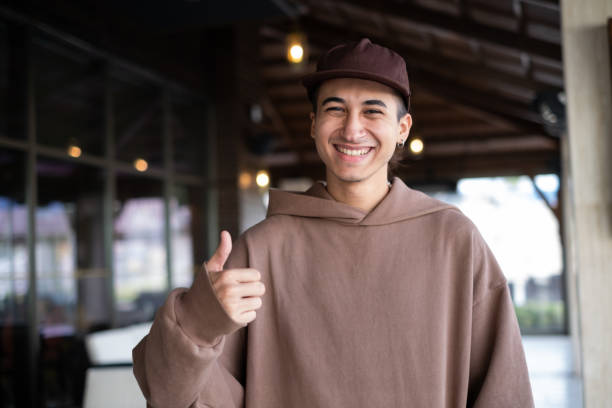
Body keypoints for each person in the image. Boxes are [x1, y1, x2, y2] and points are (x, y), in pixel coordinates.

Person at [132, 38, 534, 407]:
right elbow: (166, 392)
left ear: (402, 129)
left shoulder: (454, 240)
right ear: (313, 125)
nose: (352, 128)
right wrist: (196, 325)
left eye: (372, 111)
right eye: (335, 108)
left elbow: (504, 391)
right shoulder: (262, 248)